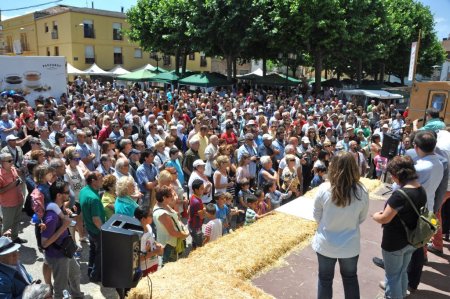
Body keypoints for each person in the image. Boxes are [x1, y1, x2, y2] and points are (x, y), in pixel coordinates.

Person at [312, 151, 369, 299]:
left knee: (325, 280)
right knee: (350, 279)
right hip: (350, 245)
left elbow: (316, 215)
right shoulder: (362, 191)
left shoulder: (324, 189)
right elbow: (361, 218)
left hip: (326, 243)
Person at [372, 156, 426, 299]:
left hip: (395, 242)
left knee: (392, 276)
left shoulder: (400, 195)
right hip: (412, 241)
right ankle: (401, 294)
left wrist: (375, 215)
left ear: (397, 175)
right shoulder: (421, 189)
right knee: (402, 271)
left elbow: (385, 218)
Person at [41, 181, 84, 299]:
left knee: (75, 273)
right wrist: (64, 226)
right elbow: (44, 243)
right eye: (66, 192)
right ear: (59, 195)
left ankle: (77, 296)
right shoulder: (51, 217)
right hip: (58, 256)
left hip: (66, 252)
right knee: (61, 288)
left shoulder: (59, 209)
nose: (69, 194)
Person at [153, 186, 189, 265]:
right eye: (170, 196)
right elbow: (172, 232)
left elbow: (175, 217)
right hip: (168, 244)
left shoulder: (164, 205)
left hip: (171, 242)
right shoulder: (162, 214)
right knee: (169, 266)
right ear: (164, 198)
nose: (173, 197)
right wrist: (185, 234)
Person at [79, 171, 105, 283]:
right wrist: (105, 231)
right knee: (101, 253)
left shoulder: (83, 190)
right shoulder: (94, 198)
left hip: (90, 228)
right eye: (100, 178)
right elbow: (96, 220)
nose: (102, 180)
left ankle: (90, 270)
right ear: (93, 181)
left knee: (93, 250)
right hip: (97, 230)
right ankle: (95, 276)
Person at [0, 153, 26, 243]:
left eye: (12, 160)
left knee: (16, 221)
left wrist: (19, 181)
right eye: (9, 161)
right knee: (7, 225)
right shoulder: (0, 175)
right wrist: (12, 185)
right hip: (8, 204)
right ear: (2, 162)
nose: (12, 162)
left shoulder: (13, 169)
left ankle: (15, 238)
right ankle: (4, 245)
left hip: (18, 200)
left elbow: (17, 179)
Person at [134, 206, 163, 276]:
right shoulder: (138, 237)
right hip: (144, 269)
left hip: (154, 263)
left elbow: (151, 240)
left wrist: (157, 244)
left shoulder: (149, 227)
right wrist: (155, 252)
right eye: (150, 215)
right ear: (143, 219)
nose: (152, 216)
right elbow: (138, 258)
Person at [188, 179, 206, 250]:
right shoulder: (197, 202)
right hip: (196, 226)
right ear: (196, 190)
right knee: (200, 244)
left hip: (192, 224)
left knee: (194, 242)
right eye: (201, 188)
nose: (203, 189)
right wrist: (204, 210)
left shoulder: (193, 196)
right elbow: (201, 217)